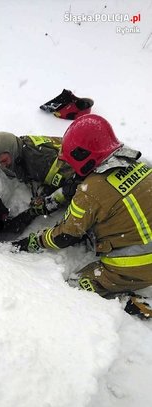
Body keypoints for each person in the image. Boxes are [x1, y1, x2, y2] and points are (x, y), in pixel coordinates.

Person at [14, 114, 152, 318]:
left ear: (84, 157)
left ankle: (127, 300)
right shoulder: (139, 164)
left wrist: (34, 242)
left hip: (137, 263)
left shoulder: (90, 191)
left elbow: (66, 235)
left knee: (77, 284)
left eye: (71, 162)